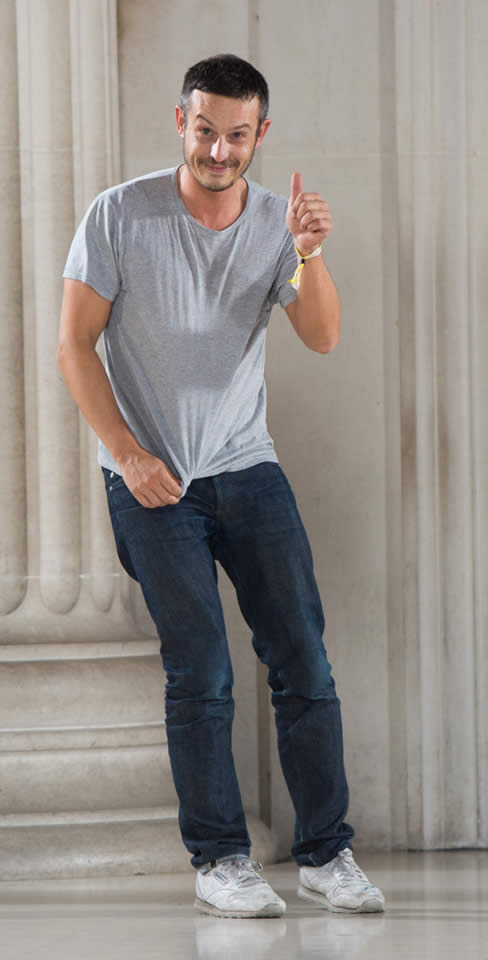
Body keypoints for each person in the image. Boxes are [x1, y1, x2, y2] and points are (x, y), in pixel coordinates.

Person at [58, 53, 385, 919]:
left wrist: (309, 255)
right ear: (182, 121)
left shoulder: (279, 222)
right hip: (152, 479)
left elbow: (321, 336)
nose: (218, 150)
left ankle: (327, 854)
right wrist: (129, 455)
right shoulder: (120, 213)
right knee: (200, 668)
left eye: (237, 135)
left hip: (246, 466)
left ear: (259, 134)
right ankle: (220, 860)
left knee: (303, 657)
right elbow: (73, 344)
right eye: (205, 130)